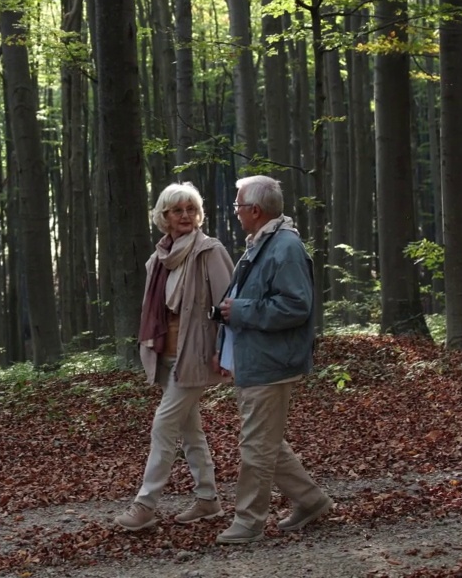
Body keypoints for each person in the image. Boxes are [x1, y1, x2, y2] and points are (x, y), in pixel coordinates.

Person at [211, 174, 331, 545]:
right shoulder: (262, 243)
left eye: (238, 206)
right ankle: (311, 501)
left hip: (272, 362)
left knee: (255, 445)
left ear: (256, 210)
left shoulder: (284, 246)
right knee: (266, 441)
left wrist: (241, 310)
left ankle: (249, 521)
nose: (235, 213)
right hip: (255, 358)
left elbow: (297, 306)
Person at [115, 182, 236, 531]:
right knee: (190, 431)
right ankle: (208, 499)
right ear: (164, 217)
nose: (185, 216)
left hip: (195, 356)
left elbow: (227, 307)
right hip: (166, 355)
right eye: (177, 210)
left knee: (164, 426)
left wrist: (220, 350)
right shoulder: (158, 259)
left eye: (191, 210)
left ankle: (145, 505)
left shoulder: (209, 251)